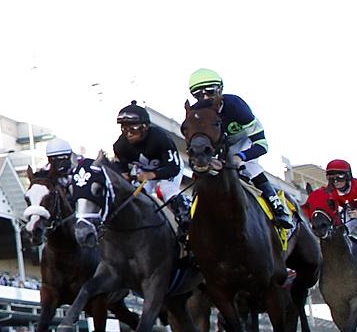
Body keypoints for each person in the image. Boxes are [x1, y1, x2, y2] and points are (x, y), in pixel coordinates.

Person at [187, 68, 292, 229]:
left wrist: (240, 157)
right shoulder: (195, 112)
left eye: (210, 91)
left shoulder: (236, 106)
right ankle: (191, 215)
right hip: (218, 146)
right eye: (199, 95)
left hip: (244, 141)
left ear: (220, 90)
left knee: (251, 166)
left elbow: (262, 145)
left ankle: (276, 205)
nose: (205, 98)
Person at [114, 100, 190, 230]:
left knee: (167, 190)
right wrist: (124, 176)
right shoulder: (120, 146)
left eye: (133, 128)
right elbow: (121, 168)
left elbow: (173, 168)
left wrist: (151, 175)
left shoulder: (161, 139)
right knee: (136, 196)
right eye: (124, 128)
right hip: (144, 170)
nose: (129, 133)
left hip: (168, 167)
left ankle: (185, 220)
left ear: (145, 127)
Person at [323, 159, 357, 246]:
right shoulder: (331, 191)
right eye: (331, 178)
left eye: (339, 177)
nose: (335, 181)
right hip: (352, 210)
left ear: (348, 176)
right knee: (340, 231)